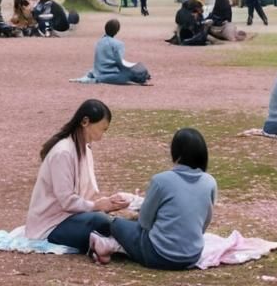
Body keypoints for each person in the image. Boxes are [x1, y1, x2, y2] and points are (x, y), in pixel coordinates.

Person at [94, 128, 216, 268]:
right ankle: (110, 245)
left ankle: (109, 245)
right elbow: (205, 221)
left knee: (116, 224)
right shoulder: (210, 182)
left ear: (176, 153)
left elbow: (144, 222)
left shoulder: (161, 181)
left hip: (159, 255)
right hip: (192, 256)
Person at [24, 99, 125, 252]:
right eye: (102, 129)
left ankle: (106, 244)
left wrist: (107, 204)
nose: (101, 136)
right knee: (101, 222)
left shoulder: (83, 147)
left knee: (107, 222)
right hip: (51, 225)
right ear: (85, 122)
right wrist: (97, 206)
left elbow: (82, 194)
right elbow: (67, 201)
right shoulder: (63, 153)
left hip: (69, 217)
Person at [89, 19, 150, 84]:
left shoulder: (99, 42)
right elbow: (120, 64)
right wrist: (136, 71)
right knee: (135, 72)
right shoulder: (118, 44)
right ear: (117, 31)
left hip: (98, 73)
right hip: (108, 75)